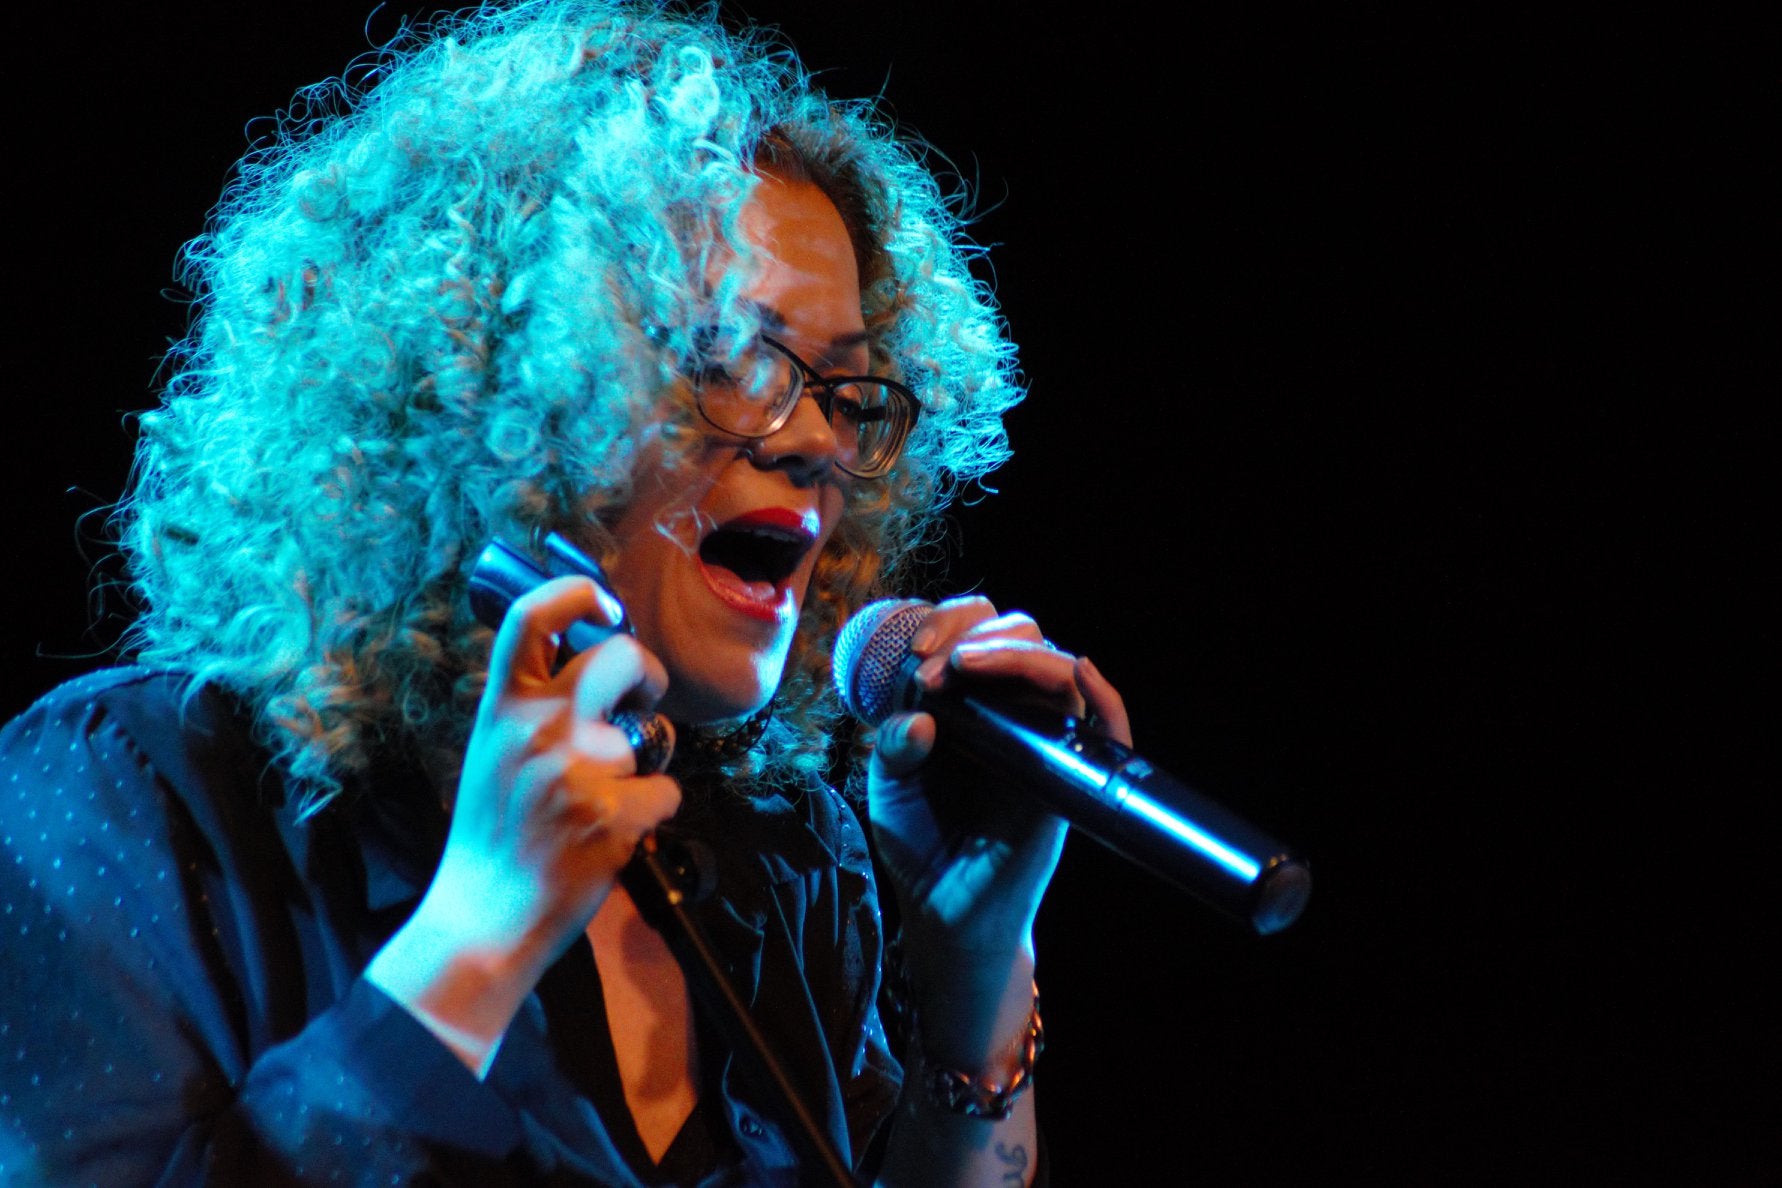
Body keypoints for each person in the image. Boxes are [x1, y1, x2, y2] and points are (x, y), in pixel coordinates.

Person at [0, 2, 1130, 1183]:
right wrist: (482, 933)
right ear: (496, 385)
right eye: (735, 360)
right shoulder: (128, 796)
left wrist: (976, 978)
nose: (816, 444)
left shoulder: (782, 866)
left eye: (847, 392)